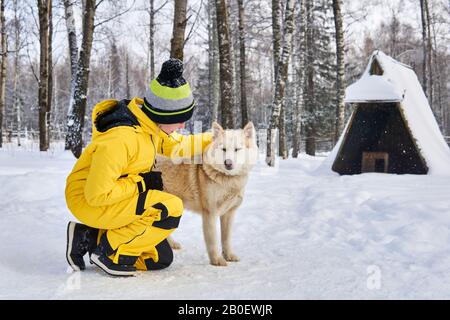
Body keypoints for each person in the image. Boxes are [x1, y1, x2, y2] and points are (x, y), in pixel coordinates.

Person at [65, 58, 212, 277]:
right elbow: (97, 194)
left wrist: (214, 139)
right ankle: (110, 252)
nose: (182, 126)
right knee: (169, 208)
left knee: (160, 259)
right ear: (163, 114)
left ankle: (87, 236)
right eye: (180, 120)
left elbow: (178, 147)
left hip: (113, 199)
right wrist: (141, 183)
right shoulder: (121, 139)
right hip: (88, 201)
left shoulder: (149, 127)